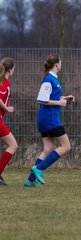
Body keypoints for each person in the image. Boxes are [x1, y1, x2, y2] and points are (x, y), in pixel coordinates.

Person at [24, 53, 75, 187]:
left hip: (46, 118)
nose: (61, 64)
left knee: (48, 148)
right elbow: (41, 99)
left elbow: (50, 96)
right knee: (66, 146)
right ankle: (39, 169)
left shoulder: (53, 79)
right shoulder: (48, 80)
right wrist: (59, 103)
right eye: (61, 62)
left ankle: (30, 180)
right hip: (49, 119)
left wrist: (64, 98)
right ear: (56, 65)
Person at [0, 57, 18, 185]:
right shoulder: (5, 83)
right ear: (9, 69)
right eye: (14, 69)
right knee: (13, 145)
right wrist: (6, 107)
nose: (14, 72)